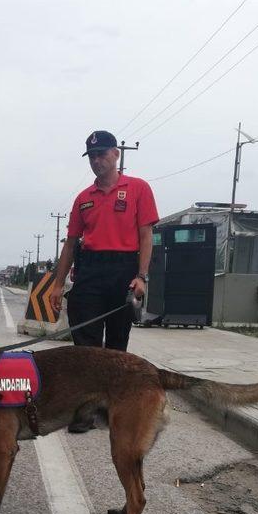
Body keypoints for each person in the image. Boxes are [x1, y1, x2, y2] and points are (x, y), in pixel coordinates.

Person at [49, 130, 159, 352]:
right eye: (92, 156)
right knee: (85, 343)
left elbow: (146, 236)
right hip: (90, 271)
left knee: (117, 345)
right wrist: (58, 284)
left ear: (116, 154)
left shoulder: (138, 189)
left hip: (124, 271)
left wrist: (141, 277)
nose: (96, 160)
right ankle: (88, 386)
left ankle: (115, 387)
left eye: (101, 154)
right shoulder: (83, 198)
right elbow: (70, 244)